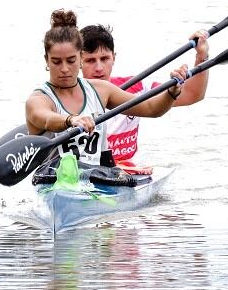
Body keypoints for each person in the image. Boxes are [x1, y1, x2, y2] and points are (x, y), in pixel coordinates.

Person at [25, 10, 190, 175]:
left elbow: (152, 109)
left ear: (80, 58)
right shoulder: (39, 99)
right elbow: (46, 119)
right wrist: (71, 120)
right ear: (46, 60)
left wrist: (172, 91)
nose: (65, 69)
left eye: (71, 60)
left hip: (99, 178)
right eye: (56, 62)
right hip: (55, 181)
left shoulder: (101, 90)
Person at [79, 22, 209, 168]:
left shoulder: (138, 87)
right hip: (89, 170)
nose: (99, 68)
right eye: (90, 60)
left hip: (128, 170)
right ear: (78, 62)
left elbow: (193, 94)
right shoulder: (65, 96)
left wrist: (201, 56)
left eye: (104, 59)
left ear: (113, 58)